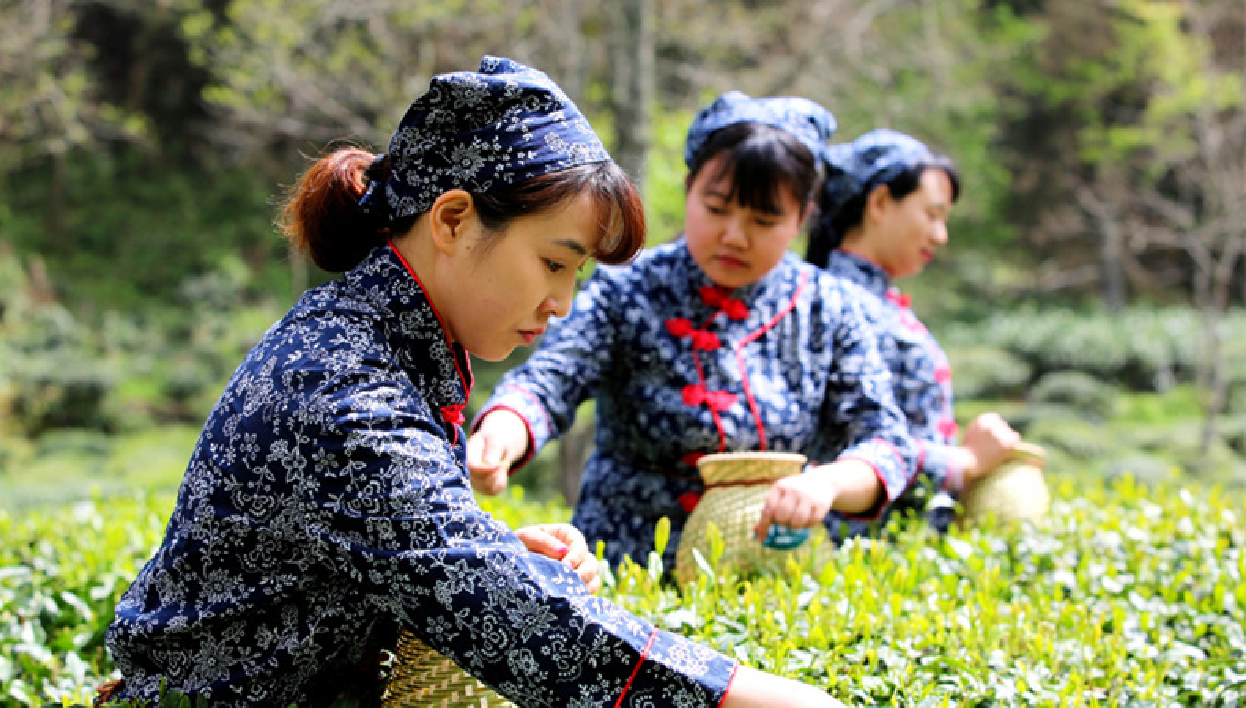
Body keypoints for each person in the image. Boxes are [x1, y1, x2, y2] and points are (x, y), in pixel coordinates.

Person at [99, 58, 842, 707]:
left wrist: (480, 551)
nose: (561, 303)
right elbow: (522, 625)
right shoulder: (343, 388)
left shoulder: (384, 340)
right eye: (554, 263)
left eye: (575, 274)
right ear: (453, 219)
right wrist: (754, 697)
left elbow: (351, 565)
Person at [468, 90, 917, 574]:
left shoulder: (829, 307)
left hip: (773, 573)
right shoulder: (628, 288)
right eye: (717, 208)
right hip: (627, 570)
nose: (734, 236)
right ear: (689, 190)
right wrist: (503, 430)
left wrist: (825, 484)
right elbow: (550, 380)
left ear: (802, 219)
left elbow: (887, 442)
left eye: (764, 220)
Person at [805, 128, 1022, 535]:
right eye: (932, 214)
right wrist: (966, 463)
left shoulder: (868, 300)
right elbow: (848, 444)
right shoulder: (838, 303)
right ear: (881, 202)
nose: (940, 235)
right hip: (861, 547)